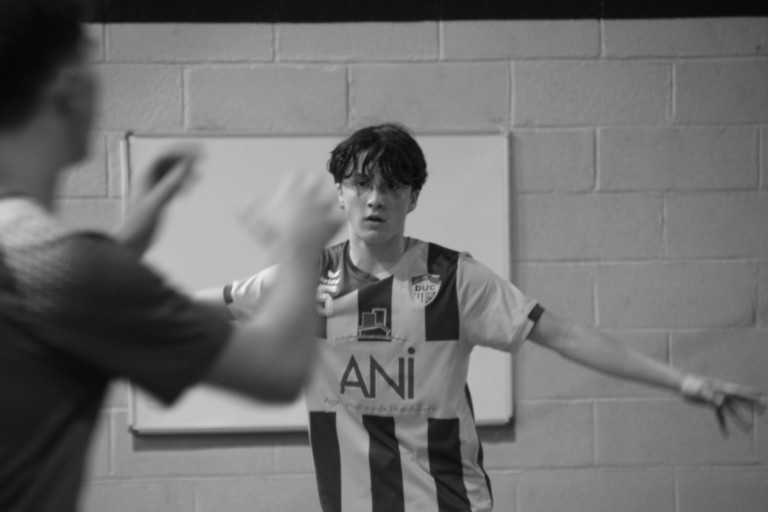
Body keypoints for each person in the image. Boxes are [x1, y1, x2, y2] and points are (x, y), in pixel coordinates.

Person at [198, 122, 767, 512]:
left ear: (413, 198)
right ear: (341, 193)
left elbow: (566, 335)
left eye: (392, 186)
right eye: (362, 184)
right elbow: (200, 306)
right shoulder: (305, 278)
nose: (376, 198)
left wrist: (686, 382)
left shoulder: (455, 279)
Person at [0, 1, 342, 510]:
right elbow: (277, 368)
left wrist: (133, 231)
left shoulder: (48, 269)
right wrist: (300, 244)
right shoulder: (71, 274)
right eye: (91, 62)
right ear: (68, 90)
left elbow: (51, 305)